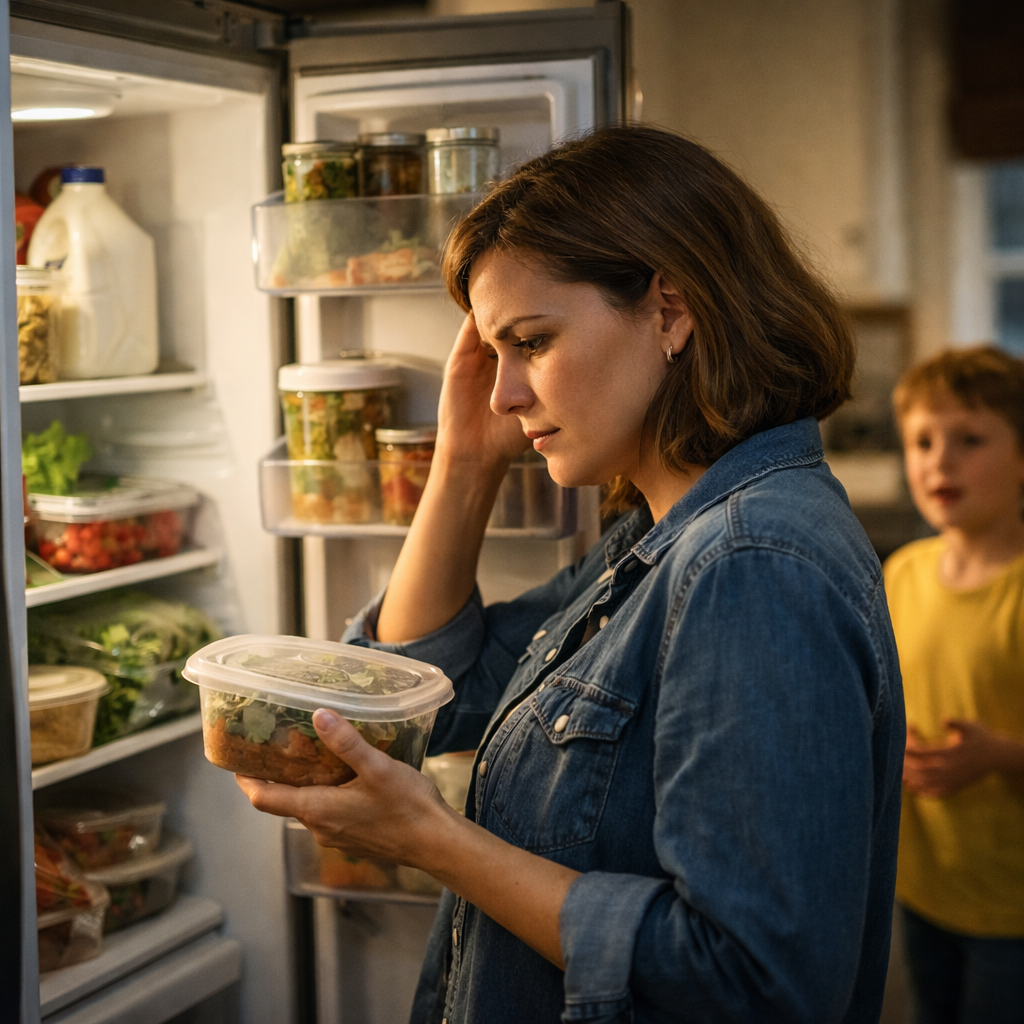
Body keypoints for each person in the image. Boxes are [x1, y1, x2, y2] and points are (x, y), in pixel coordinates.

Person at [236, 126, 904, 1024]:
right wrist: (464, 468)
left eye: (534, 342)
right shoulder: (659, 534)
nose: (503, 395)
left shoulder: (750, 564)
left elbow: (756, 982)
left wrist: (437, 843)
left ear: (670, 309)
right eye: (495, 351)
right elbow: (428, 691)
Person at [884, 347, 1024, 1024]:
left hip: (1010, 903)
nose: (940, 461)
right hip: (921, 880)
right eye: (922, 441)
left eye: (969, 440)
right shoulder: (902, 574)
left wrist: (998, 756)